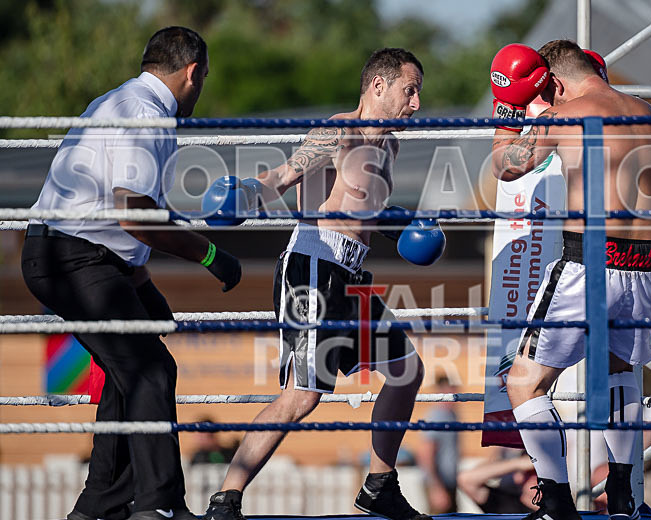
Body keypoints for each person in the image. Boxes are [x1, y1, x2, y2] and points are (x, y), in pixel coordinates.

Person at [202, 48, 443, 520]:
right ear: (378, 86)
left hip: (352, 274)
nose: (416, 103)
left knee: (406, 370)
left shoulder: (389, 146)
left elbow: (360, 209)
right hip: (315, 266)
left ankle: (379, 486)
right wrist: (247, 193)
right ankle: (226, 498)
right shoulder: (340, 130)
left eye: (419, 93)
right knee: (303, 395)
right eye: (409, 90)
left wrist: (402, 228)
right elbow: (287, 175)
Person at [21, 27, 242, 520]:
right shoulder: (147, 114)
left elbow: (110, 211)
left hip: (75, 255)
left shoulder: (118, 100)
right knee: (149, 372)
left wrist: (143, 286)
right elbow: (135, 216)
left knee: (133, 372)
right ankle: (157, 504)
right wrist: (211, 256)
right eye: (203, 78)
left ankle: (101, 501)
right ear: (193, 72)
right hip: (75, 258)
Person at [491, 39, 651, 520]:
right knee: (617, 370)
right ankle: (625, 494)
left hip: (588, 263)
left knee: (522, 383)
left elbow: (507, 168)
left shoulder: (563, 115)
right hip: (645, 265)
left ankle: (557, 501)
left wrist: (508, 106)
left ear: (554, 83)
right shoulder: (647, 111)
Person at [416, 374, 461, 513]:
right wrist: (436, 487)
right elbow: (426, 454)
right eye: (450, 391)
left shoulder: (452, 414)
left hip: (448, 482)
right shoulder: (437, 415)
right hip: (438, 483)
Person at [457, 450, 536, 514]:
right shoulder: (505, 503)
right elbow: (466, 479)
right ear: (518, 477)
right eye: (533, 472)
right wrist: (518, 463)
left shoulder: (548, 510)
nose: (540, 479)